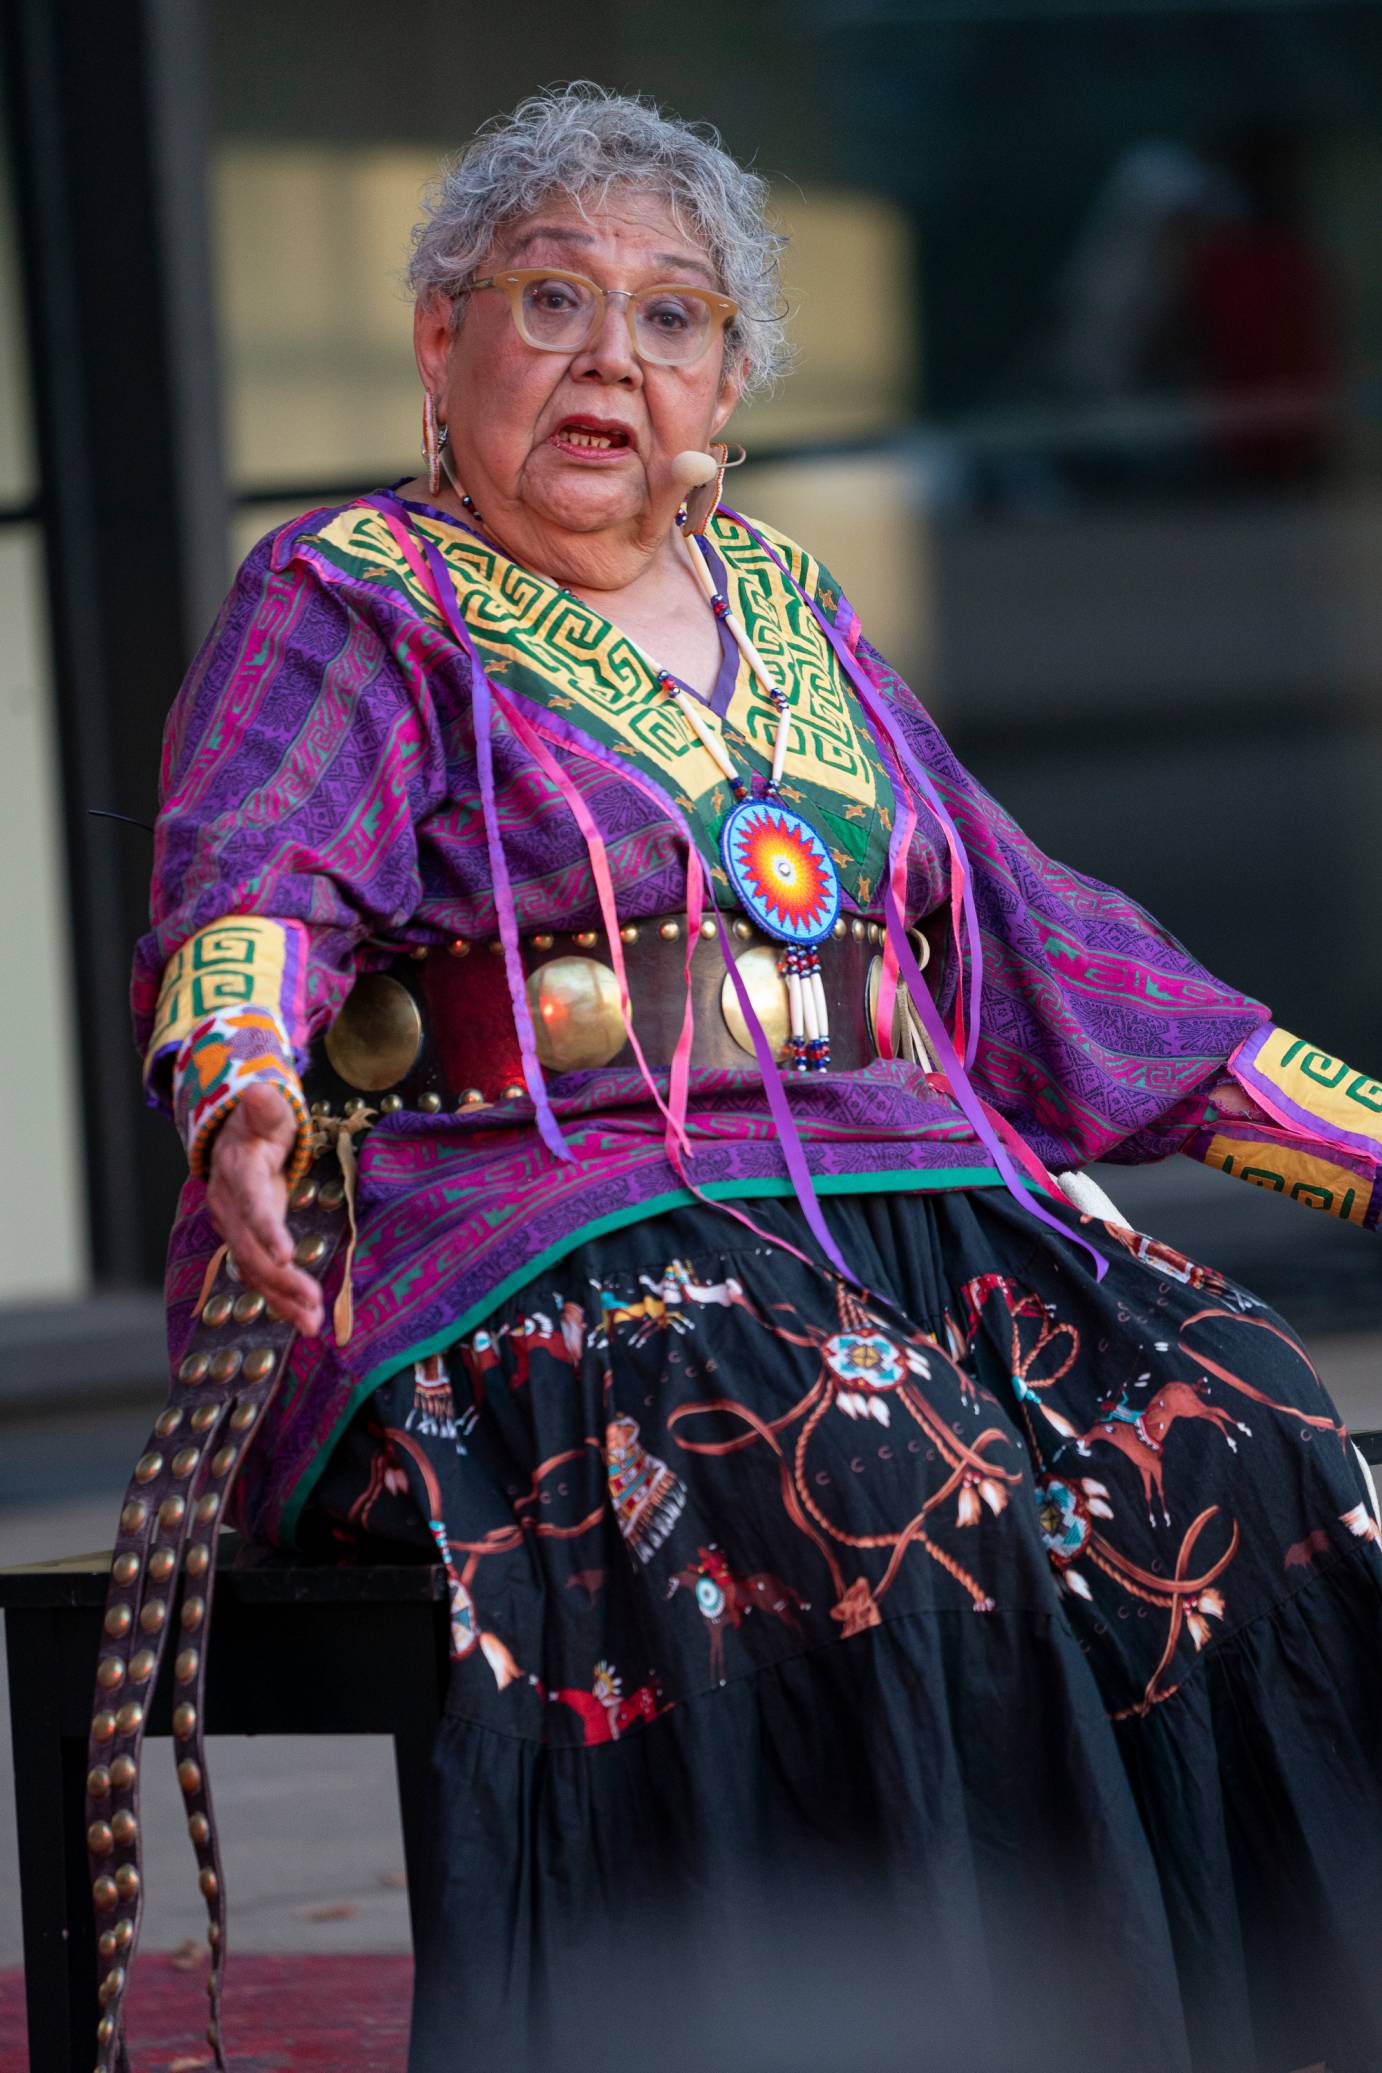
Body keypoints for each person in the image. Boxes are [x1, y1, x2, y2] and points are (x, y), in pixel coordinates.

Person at [126, 85, 1382, 2073]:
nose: (610, 359)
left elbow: (1036, 945)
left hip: (889, 1199)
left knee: (1233, 1419)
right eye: (551, 299)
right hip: (520, 1224)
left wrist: (1356, 1143)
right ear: (440, 338)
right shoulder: (352, 591)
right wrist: (242, 1080)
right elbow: (256, 864)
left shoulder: (792, 605)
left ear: (723, 385)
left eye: (672, 316)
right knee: (877, 1451)